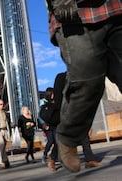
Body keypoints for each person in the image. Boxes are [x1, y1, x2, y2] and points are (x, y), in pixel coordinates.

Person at [46, 0, 122, 172]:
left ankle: (87, 155)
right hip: (76, 14)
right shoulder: (59, 80)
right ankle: (68, 136)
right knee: (88, 81)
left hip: (116, 7)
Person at [54, 72, 102, 169]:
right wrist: (62, 111)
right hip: (66, 111)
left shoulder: (78, 76)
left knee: (84, 135)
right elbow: (58, 96)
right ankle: (57, 158)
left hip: (78, 109)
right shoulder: (61, 77)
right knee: (64, 137)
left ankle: (89, 159)